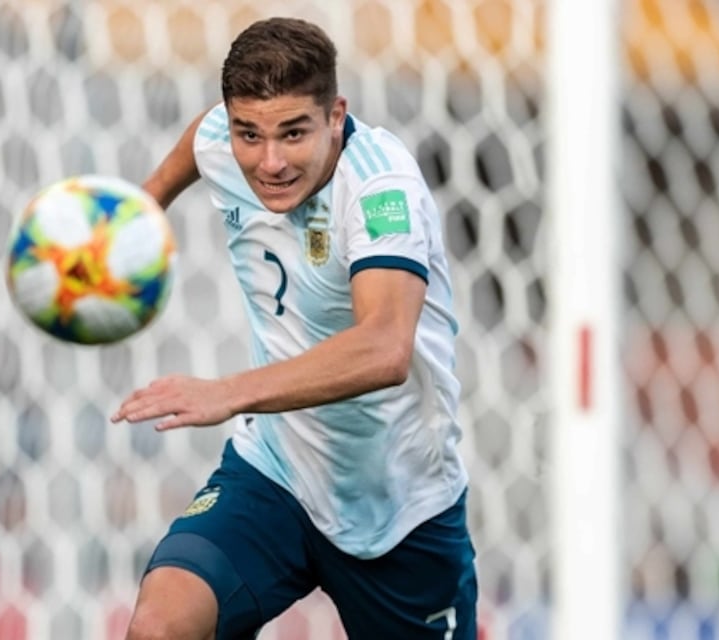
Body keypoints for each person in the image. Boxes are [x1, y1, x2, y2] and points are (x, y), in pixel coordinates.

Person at [111, 16, 477, 640]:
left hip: (400, 508)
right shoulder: (217, 141)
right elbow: (159, 190)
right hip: (276, 474)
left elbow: (384, 348)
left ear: (336, 115)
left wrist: (227, 392)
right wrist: (107, 245)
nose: (270, 161)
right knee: (160, 627)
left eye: (293, 133)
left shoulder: (381, 190)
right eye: (248, 134)